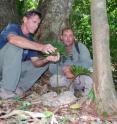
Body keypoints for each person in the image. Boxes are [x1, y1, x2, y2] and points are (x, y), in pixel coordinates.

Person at [0, 10, 60, 99]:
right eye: (34, 22)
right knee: (16, 45)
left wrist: (47, 59)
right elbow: (13, 39)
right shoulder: (13, 27)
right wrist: (41, 47)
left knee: (43, 64)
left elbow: (36, 62)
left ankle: (18, 88)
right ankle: (6, 90)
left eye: (38, 24)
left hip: (11, 70)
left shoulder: (31, 40)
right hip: (2, 64)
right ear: (25, 19)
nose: (36, 26)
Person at [49, 28, 93, 96]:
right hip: (65, 77)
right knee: (53, 80)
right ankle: (70, 93)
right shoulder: (56, 49)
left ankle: (87, 96)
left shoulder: (80, 47)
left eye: (70, 35)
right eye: (65, 35)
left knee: (91, 71)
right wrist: (64, 70)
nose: (68, 38)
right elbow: (51, 67)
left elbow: (88, 62)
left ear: (73, 37)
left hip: (79, 77)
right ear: (61, 37)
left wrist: (71, 68)